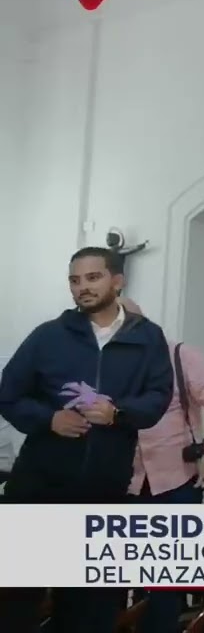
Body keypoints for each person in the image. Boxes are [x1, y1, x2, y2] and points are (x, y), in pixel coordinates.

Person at [0, 247, 174, 633]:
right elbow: (8, 393)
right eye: (75, 281)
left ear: (117, 280)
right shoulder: (48, 336)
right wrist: (49, 420)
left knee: (90, 608)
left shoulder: (148, 339)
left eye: (92, 278)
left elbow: (157, 398)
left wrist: (118, 413)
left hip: (103, 492)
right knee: (15, 601)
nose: (82, 288)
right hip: (37, 490)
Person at [118, 297, 204, 633]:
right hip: (121, 484)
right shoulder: (105, 365)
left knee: (163, 586)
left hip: (174, 484)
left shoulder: (179, 356)